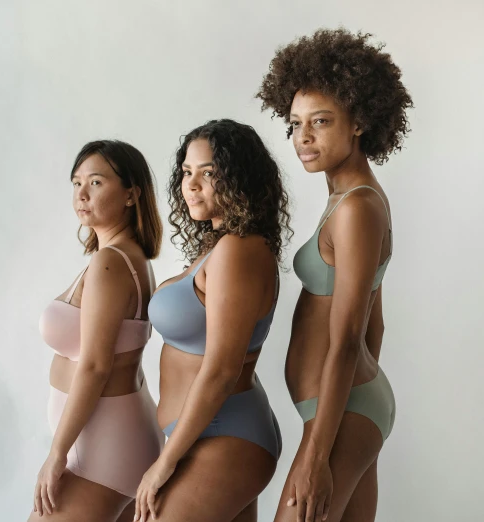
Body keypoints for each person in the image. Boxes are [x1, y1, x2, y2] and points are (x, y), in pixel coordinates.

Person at [257, 28, 413, 522]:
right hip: (347, 409)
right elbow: (376, 324)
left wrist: (319, 455)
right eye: (296, 123)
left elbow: (348, 339)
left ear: (360, 121)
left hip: (342, 414)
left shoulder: (357, 209)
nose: (304, 137)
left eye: (320, 122)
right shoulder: (351, 200)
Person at [134, 119, 291, 522]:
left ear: (240, 181)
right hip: (207, 435)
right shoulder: (220, 246)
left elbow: (221, 369)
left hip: (226, 433)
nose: (192, 184)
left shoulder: (238, 250)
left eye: (208, 173)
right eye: (187, 172)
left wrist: (164, 464)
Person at [34, 140, 164, 522]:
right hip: (112, 437)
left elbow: (94, 366)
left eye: (95, 182)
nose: (81, 194)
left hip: (105, 447)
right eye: (76, 183)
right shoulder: (124, 255)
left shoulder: (111, 262)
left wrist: (56, 454)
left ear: (131, 194)